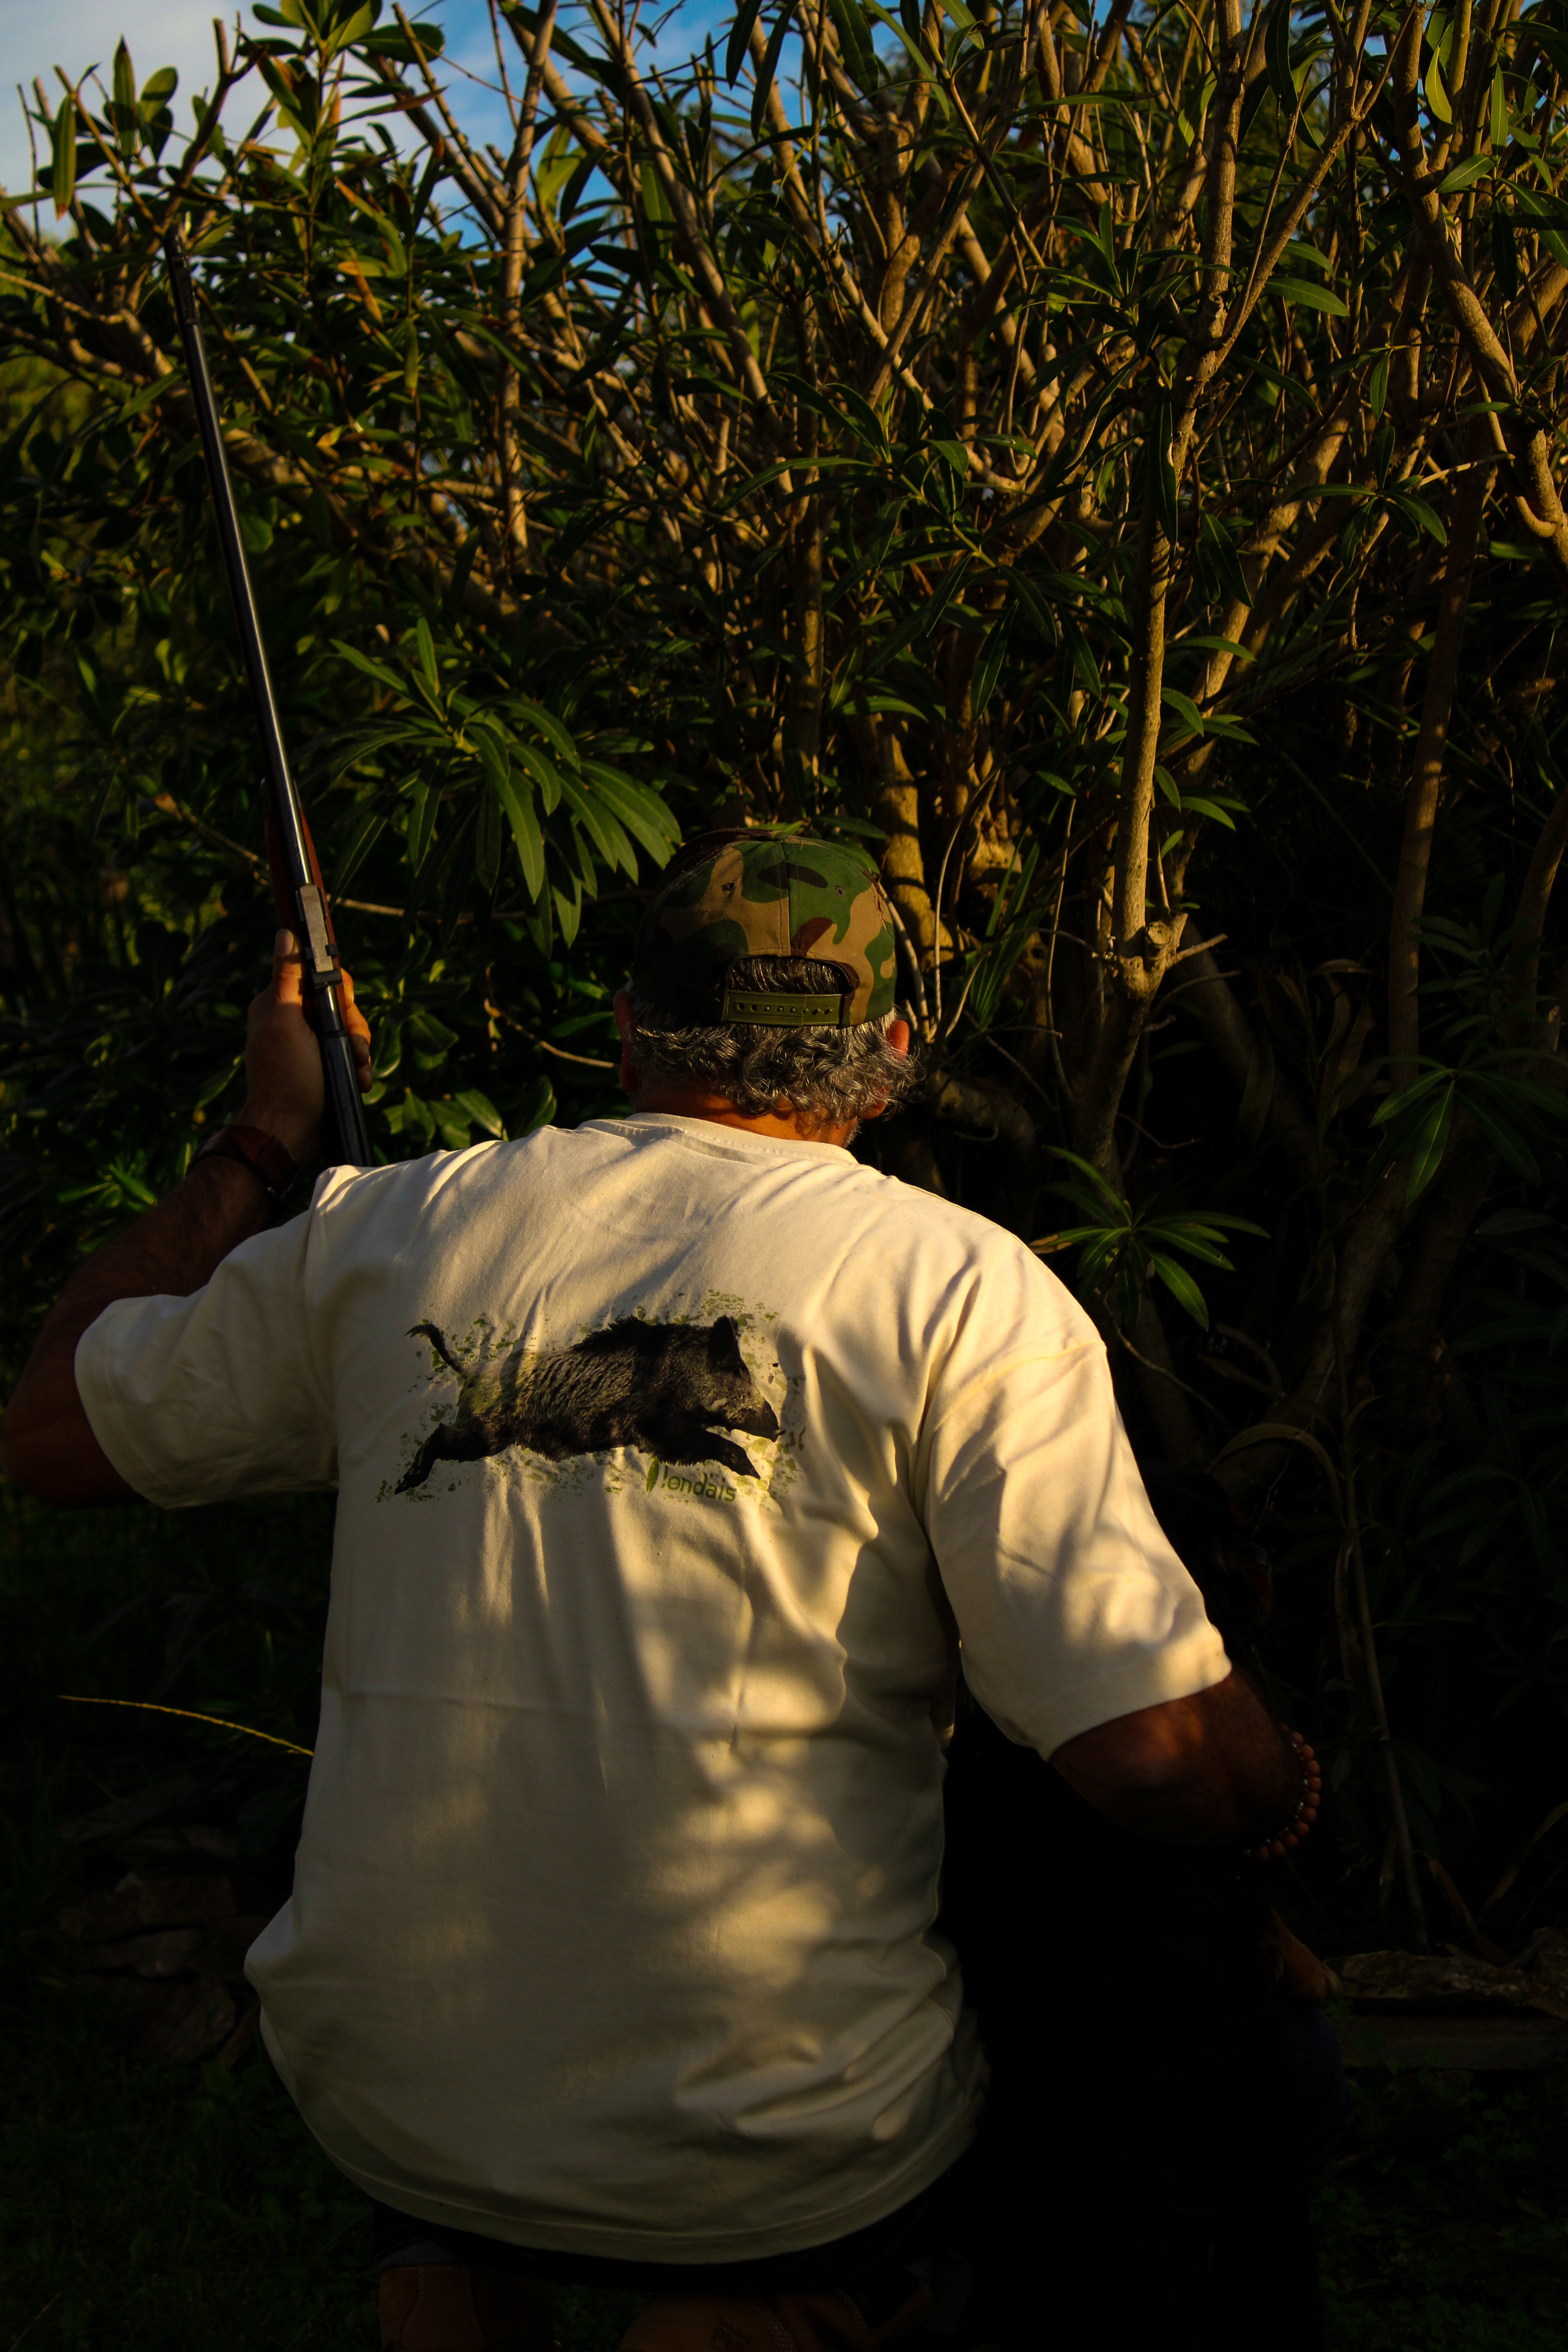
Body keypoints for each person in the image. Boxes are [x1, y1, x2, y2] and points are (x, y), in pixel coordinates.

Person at [2, 831, 1318, 2352]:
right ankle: (773, 2302)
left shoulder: (389, 1228)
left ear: (629, 1025)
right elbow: (1148, 1755)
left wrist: (264, 1135)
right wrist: (1282, 1791)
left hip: (388, 2094)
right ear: (889, 1055)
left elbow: (46, 1430)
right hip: (777, 2153)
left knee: (468, 2114)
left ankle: (453, 2273)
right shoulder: (957, 1288)